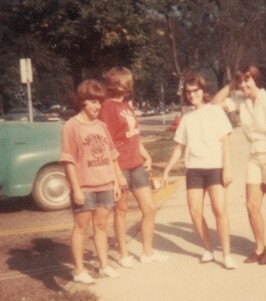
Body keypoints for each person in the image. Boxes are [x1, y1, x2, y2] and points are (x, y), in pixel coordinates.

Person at [212, 65, 266, 265]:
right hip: (255, 155)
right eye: (241, 81)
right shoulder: (242, 101)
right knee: (251, 205)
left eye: (247, 80)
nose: (243, 84)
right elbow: (214, 103)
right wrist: (231, 84)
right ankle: (259, 246)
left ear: (257, 79)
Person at [161, 73, 237, 269]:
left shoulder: (215, 111)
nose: (192, 95)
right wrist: (167, 170)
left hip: (215, 167)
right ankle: (208, 249)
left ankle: (227, 255)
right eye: (189, 92)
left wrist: (227, 167)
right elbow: (179, 147)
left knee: (219, 210)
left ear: (203, 91)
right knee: (195, 212)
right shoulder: (186, 118)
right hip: (194, 169)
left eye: (196, 91)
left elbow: (225, 141)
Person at [98, 66, 169, 267]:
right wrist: (116, 174)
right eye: (123, 82)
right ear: (115, 84)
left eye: (128, 82)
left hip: (136, 165)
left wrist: (144, 152)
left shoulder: (126, 106)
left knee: (149, 208)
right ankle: (123, 254)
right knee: (121, 212)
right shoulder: (107, 108)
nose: (128, 86)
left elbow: (133, 134)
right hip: (119, 167)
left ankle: (147, 252)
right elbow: (107, 143)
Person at [60, 79, 123, 284]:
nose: (98, 106)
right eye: (93, 101)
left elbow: (112, 154)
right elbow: (68, 160)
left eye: (99, 102)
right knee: (81, 228)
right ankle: (78, 271)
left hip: (105, 184)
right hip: (85, 187)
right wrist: (76, 189)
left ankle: (104, 265)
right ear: (83, 102)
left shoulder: (102, 126)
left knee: (102, 226)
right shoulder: (72, 126)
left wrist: (116, 181)